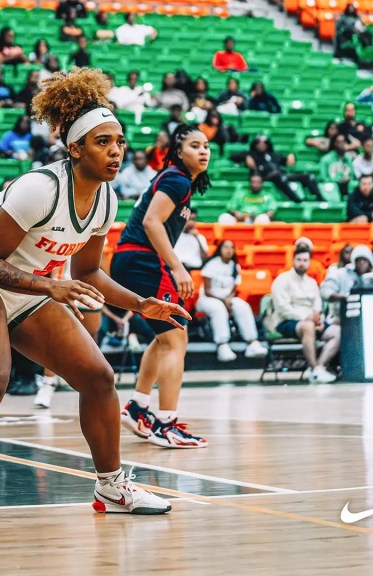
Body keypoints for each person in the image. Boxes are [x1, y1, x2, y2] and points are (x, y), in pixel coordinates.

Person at [0, 68, 182, 544]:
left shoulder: (105, 200)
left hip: (30, 287)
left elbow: (88, 273)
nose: (116, 152)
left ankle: (111, 487)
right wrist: (49, 286)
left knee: (98, 378)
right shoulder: (39, 187)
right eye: (103, 142)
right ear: (75, 148)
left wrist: (140, 303)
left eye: (120, 142)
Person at [112, 122, 210, 449]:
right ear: (178, 151)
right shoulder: (176, 179)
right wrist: (178, 267)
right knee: (177, 338)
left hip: (130, 258)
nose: (203, 151)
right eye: (195, 145)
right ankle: (167, 425)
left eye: (206, 145)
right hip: (143, 259)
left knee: (165, 336)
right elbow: (152, 222)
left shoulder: (177, 180)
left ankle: (138, 408)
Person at [268, 246, 339, 383]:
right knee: (308, 326)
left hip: (310, 321)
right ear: (293, 260)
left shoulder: (312, 282)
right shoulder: (282, 280)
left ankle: (317, 368)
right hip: (286, 322)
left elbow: (317, 306)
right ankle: (315, 368)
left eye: (305, 260)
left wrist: (318, 320)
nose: (302, 263)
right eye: (299, 260)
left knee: (337, 331)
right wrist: (307, 318)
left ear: (309, 262)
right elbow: (283, 308)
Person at [196, 240, 266, 362]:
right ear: (220, 249)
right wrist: (224, 300)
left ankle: (252, 342)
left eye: (231, 247)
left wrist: (229, 299)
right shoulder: (212, 264)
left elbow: (234, 289)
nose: (228, 250)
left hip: (227, 299)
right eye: (226, 247)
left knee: (243, 306)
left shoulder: (235, 266)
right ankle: (222, 345)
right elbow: (207, 291)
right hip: (208, 299)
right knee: (218, 308)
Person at [243, 135, 321, 203]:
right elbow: (236, 156)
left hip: (282, 175)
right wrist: (246, 157)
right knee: (278, 175)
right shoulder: (251, 155)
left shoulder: (275, 155)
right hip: (265, 177)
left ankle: (319, 198)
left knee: (308, 176)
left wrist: (291, 156)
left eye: (264, 143)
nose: (261, 145)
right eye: (259, 143)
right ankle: (296, 200)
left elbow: (286, 161)